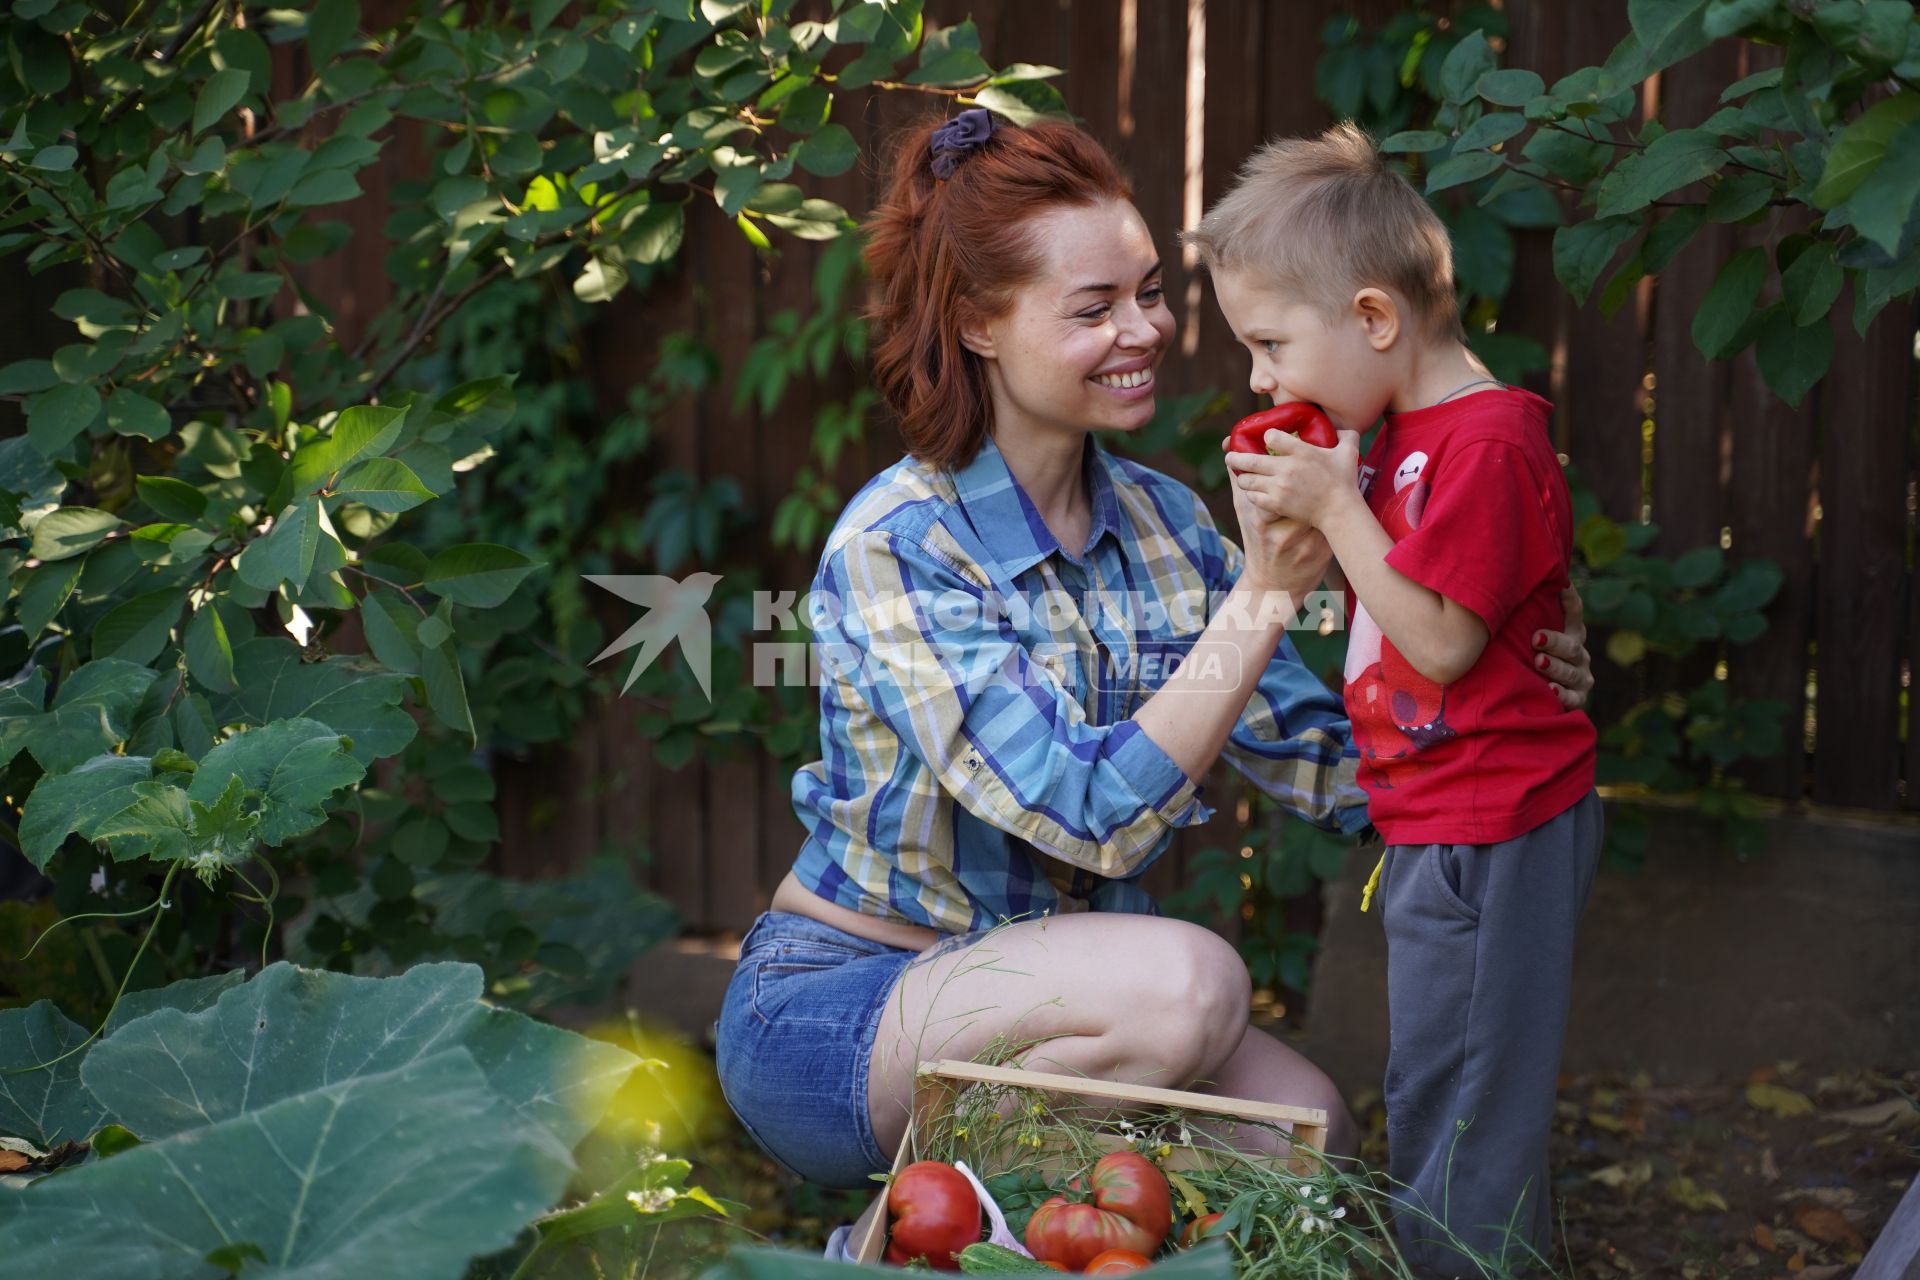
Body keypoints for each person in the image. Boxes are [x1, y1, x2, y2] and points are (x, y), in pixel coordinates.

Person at [712, 110, 1594, 1223]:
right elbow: (1085, 816)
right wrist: (1268, 591)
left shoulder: (1161, 521)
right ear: (981, 324)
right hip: (845, 1010)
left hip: (1067, 1002)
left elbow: (1328, 767)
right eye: (1094, 307)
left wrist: (1502, 694)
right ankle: (901, 1240)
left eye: (1147, 291)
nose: (1146, 328)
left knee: (1309, 1147)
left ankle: (1019, 1222)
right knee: (1193, 984)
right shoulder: (901, 546)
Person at [1191, 122, 1604, 1276]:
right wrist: (1290, 516)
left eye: (1272, 343)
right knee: (1440, 1078)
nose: (1263, 376)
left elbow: (1438, 639)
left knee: (1471, 1102)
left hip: (1497, 824)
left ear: (1374, 318)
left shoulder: (1483, 441)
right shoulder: (1402, 437)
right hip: (1443, 814)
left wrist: (1335, 507)